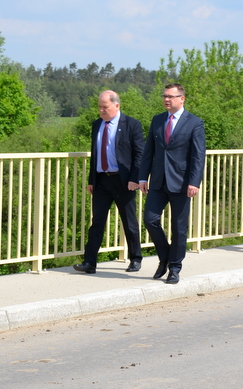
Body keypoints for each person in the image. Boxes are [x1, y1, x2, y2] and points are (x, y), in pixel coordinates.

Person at [138, 83, 206, 284]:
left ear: (181, 99)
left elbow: (198, 156)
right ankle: (165, 256)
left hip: (182, 183)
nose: (166, 99)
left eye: (171, 96)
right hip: (158, 181)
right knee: (150, 219)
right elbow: (149, 151)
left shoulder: (194, 122)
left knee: (179, 228)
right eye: (165, 96)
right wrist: (143, 177)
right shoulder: (158, 120)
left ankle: (175, 268)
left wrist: (194, 182)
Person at [74, 91, 144, 274]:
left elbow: (139, 154)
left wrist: (134, 178)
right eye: (99, 107)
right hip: (102, 181)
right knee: (97, 222)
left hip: (124, 181)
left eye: (105, 107)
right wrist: (92, 180)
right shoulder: (97, 124)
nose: (101, 110)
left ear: (117, 105)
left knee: (129, 222)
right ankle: (89, 262)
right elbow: (95, 154)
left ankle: (135, 259)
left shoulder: (132, 124)